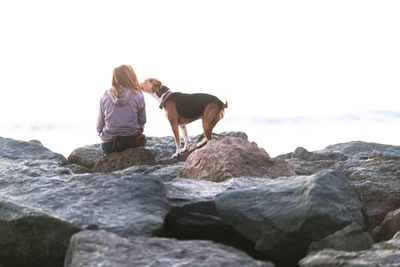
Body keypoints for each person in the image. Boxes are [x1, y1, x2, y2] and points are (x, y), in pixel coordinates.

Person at [96, 65, 146, 154]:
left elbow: (99, 126)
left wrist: (106, 135)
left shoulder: (105, 96)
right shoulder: (138, 94)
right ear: (131, 76)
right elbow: (142, 120)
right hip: (132, 141)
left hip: (109, 144)